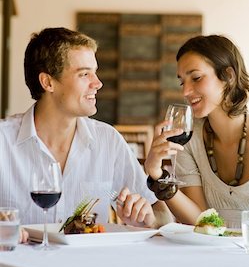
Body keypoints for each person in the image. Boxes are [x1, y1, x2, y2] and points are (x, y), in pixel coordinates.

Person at [0, 27, 172, 235]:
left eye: (95, 72)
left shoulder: (108, 141)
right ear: (48, 82)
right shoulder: (3, 140)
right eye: (84, 74)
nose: (97, 83)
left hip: (91, 266)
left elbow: (163, 215)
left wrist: (148, 218)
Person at [145, 34, 249, 242]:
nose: (186, 91)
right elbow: (199, 218)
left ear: (228, 76)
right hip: (220, 263)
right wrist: (156, 175)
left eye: (196, 78)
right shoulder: (189, 140)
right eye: (182, 82)